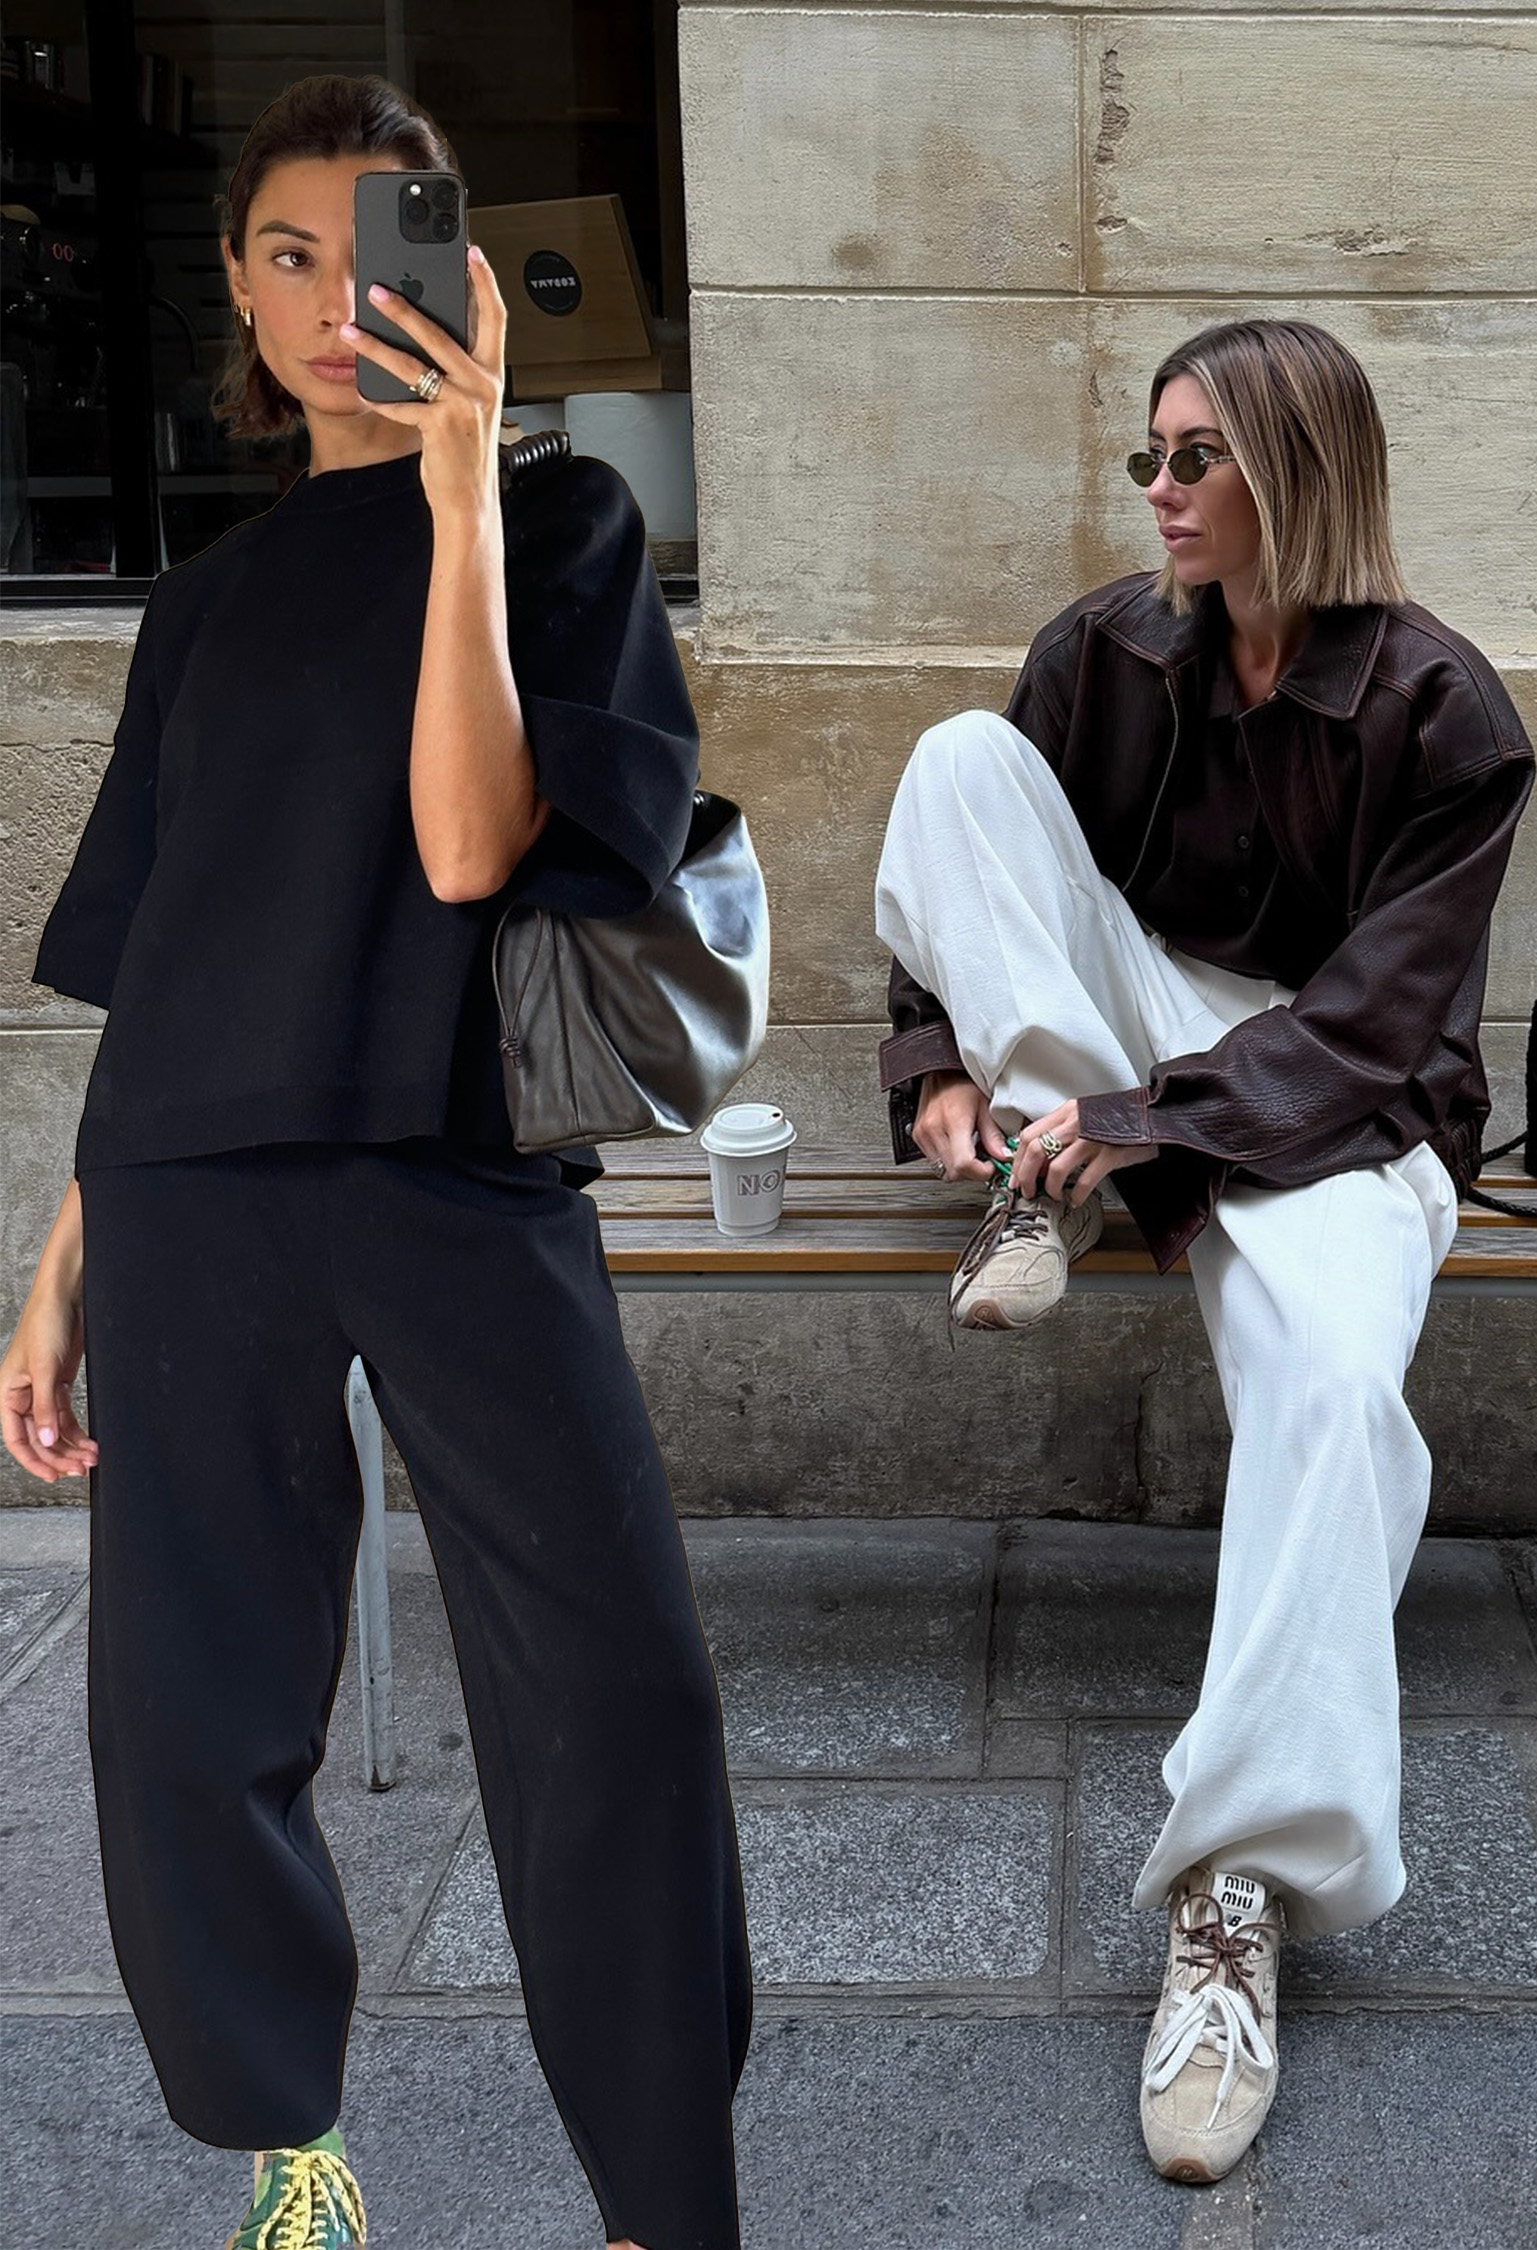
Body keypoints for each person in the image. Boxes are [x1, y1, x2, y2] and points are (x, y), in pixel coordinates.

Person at [0, 75, 749, 2250]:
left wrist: (457, 495)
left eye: (381, 253)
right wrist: (58, 1259)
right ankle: (289, 2148)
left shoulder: (570, 527)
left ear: (463, 275)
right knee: (187, 1715)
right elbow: (158, 957)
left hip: (453, 1175)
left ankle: (657, 2198)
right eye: (292, 260)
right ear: (236, 290)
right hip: (188, 1197)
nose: (339, 305)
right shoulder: (201, 606)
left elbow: (462, 843)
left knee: (614, 1683)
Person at [867, 318, 1531, 2185]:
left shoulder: (1445, 712)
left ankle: (1233, 1888)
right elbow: (961, 891)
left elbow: (1381, 1022)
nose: (1154, 494)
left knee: (1334, 1386)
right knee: (952, 764)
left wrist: (1145, 1125)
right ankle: (1036, 1165)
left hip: (1336, 1091)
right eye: (1147, 458)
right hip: (1125, 1041)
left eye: (1191, 462)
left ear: (1294, 476)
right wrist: (937, 1058)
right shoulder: (1100, 652)